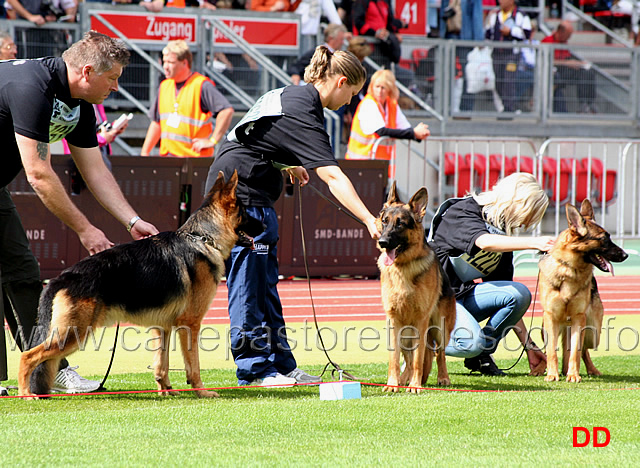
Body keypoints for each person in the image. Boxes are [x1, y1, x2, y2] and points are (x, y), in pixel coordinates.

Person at [203, 46, 380, 386]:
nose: (349, 102)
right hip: (240, 200)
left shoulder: (291, 93)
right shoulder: (303, 108)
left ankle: (282, 365)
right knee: (249, 286)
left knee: (265, 286)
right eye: (352, 94)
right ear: (341, 82)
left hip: (248, 192)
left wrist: (286, 163)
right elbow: (332, 177)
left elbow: (253, 136)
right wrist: (369, 220)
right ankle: (254, 370)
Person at [0, 31, 159, 394]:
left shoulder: (80, 105)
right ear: (87, 71)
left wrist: (131, 222)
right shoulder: (33, 87)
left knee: (23, 274)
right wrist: (86, 230)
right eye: (113, 78)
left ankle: (49, 369)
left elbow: (95, 171)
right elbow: (39, 174)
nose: (116, 88)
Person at [428, 172, 551, 376]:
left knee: (519, 294)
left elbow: (510, 302)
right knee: (471, 343)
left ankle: (480, 355)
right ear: (515, 202)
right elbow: (483, 241)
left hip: (461, 297)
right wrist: (534, 243)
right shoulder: (463, 210)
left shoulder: (502, 233)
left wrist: (529, 346)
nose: (522, 225)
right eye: (526, 217)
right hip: (437, 300)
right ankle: (423, 341)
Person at [141, 40, 234, 158]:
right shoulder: (165, 86)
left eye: (171, 62)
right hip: (168, 158)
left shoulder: (201, 85)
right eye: (164, 61)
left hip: (193, 160)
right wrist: (144, 153)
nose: (165, 66)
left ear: (184, 63)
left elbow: (227, 111)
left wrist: (212, 141)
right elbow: (157, 122)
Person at [345, 69, 430, 179]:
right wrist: (414, 133)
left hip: (380, 168)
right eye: (377, 86)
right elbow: (381, 131)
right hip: (360, 166)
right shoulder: (368, 103)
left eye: (383, 88)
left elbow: (405, 128)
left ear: (390, 89)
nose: (380, 91)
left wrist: (418, 133)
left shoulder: (392, 105)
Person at [542, 20, 598, 114]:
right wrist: (566, 63)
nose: (569, 37)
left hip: (566, 70)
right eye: (568, 34)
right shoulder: (548, 41)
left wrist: (578, 63)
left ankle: (587, 103)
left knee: (588, 72)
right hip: (553, 72)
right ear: (561, 31)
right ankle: (583, 104)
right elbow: (546, 61)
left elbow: (567, 58)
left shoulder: (564, 43)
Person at [484, 0, 531, 113]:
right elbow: (488, 33)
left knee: (509, 80)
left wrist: (510, 32)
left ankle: (508, 109)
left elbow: (526, 34)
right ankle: (507, 105)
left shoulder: (521, 15)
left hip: (512, 54)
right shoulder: (495, 14)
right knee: (499, 81)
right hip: (497, 53)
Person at [352, 0, 407, 68]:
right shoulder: (363, 2)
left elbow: (389, 22)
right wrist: (374, 33)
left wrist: (395, 32)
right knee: (369, 71)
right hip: (368, 46)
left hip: (383, 46)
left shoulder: (384, 3)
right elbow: (358, 22)